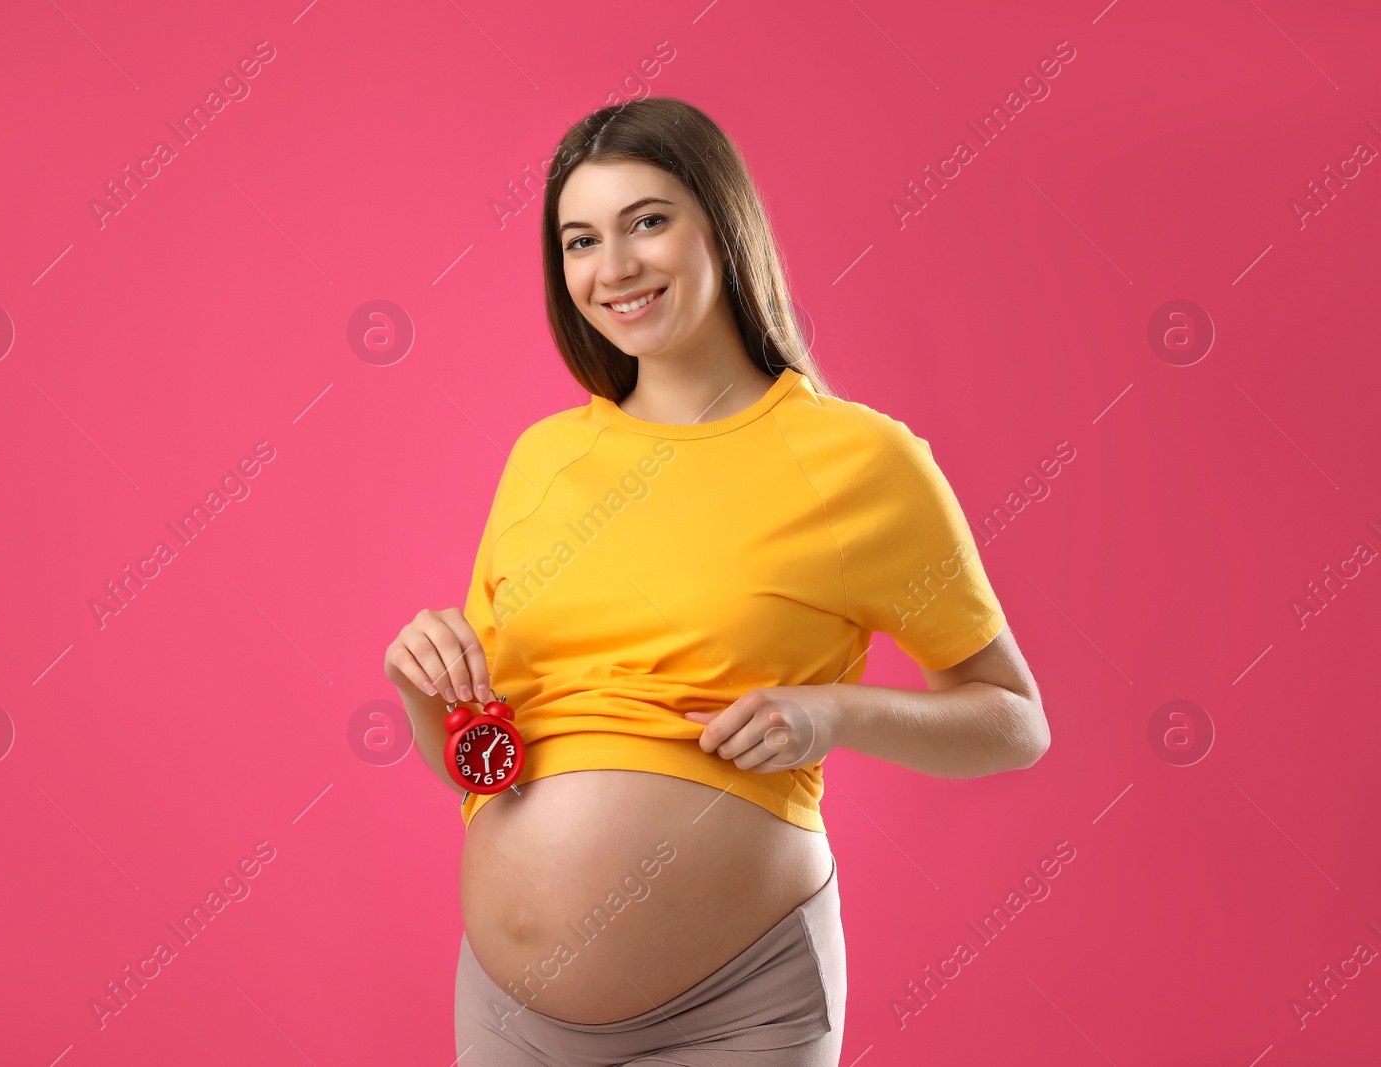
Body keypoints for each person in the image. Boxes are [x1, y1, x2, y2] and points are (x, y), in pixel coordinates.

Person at [383, 97, 1051, 1066]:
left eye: (646, 220)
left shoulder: (855, 459)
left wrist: (833, 712)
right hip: (502, 1012)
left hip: (735, 1011)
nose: (611, 268)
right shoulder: (544, 459)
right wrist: (421, 688)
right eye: (580, 239)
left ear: (721, 225)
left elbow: (1015, 722)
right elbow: (483, 763)